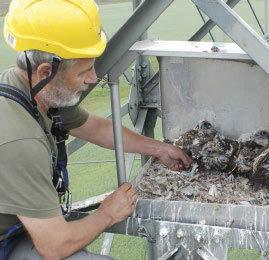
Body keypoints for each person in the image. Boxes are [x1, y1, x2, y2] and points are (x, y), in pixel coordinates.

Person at [0, 0, 192, 259]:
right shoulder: (19, 139)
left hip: (19, 228)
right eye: (84, 71)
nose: (92, 79)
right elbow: (55, 245)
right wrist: (107, 214)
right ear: (46, 70)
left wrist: (159, 148)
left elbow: (95, 127)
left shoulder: (36, 92)